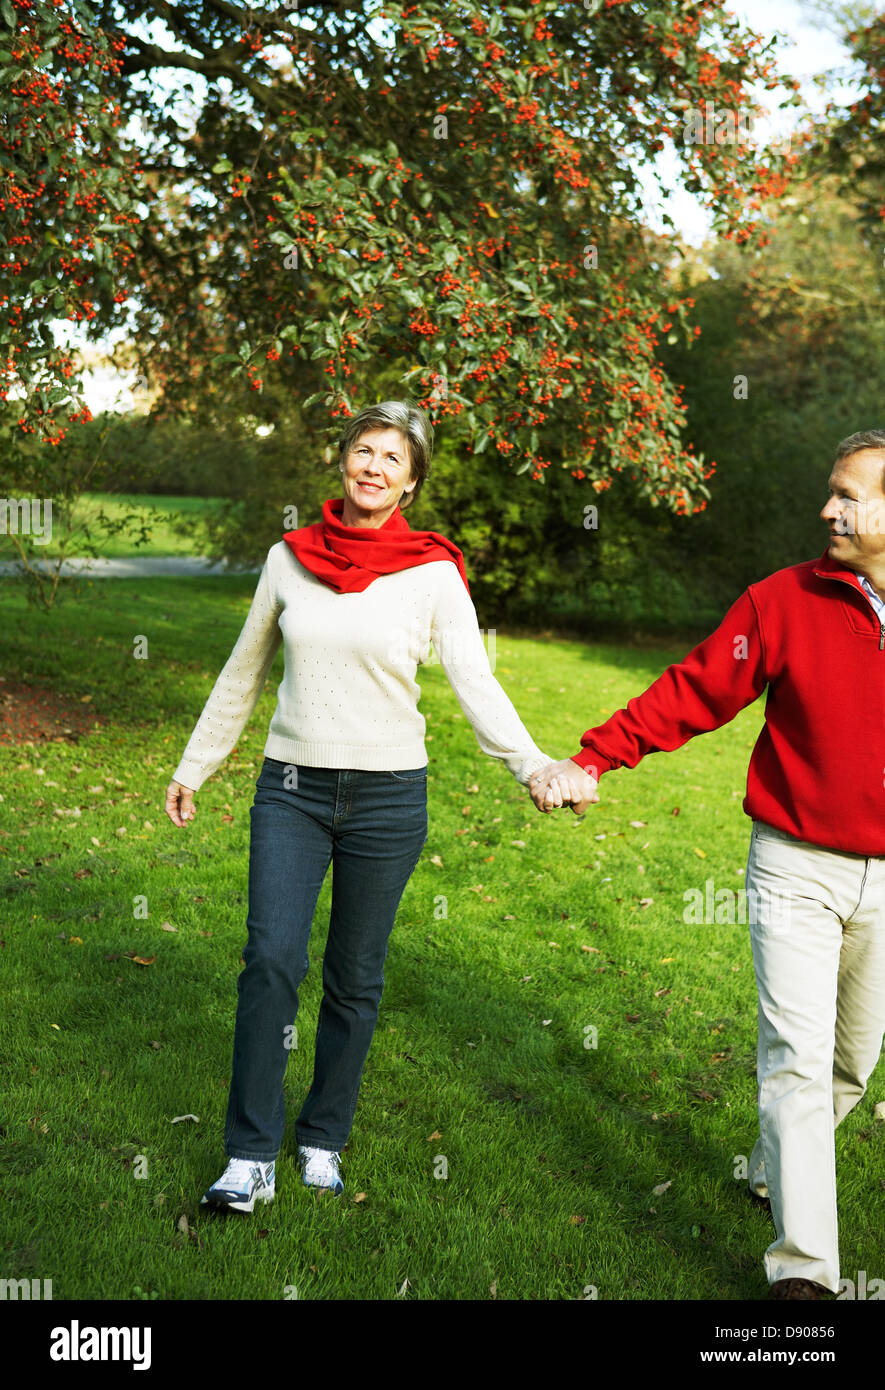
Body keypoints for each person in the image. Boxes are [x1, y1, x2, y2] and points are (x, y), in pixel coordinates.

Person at [164, 399, 589, 1212]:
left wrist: (530, 764)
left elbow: (475, 680)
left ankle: (322, 1136)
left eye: (393, 458)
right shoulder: (288, 559)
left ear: (412, 480)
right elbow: (241, 670)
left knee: (354, 976)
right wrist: (198, 763)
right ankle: (247, 1156)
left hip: (390, 797)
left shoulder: (432, 571)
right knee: (270, 963)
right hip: (290, 789)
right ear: (341, 460)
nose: (374, 467)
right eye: (364, 450)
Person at [529, 429, 885, 1301]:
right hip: (795, 864)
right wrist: (595, 759)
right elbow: (693, 689)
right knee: (795, 1059)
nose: (826, 509)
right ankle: (804, 1278)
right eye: (828, 490)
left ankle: (771, 1164)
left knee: (849, 1063)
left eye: (847, 495)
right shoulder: (785, 600)